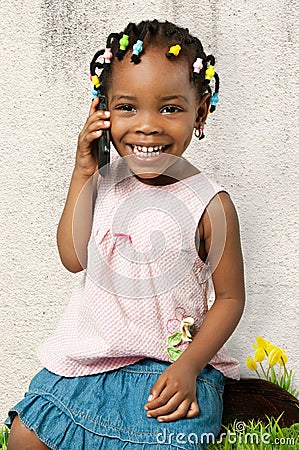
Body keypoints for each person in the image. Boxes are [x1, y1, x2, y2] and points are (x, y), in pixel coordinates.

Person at [6, 19, 245, 450]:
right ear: (103, 110)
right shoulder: (102, 183)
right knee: (26, 436)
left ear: (202, 111)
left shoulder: (210, 204)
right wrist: (84, 170)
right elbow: (72, 256)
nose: (148, 125)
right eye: (127, 107)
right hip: (90, 365)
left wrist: (190, 366)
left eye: (170, 108)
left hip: (168, 368)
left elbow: (230, 298)